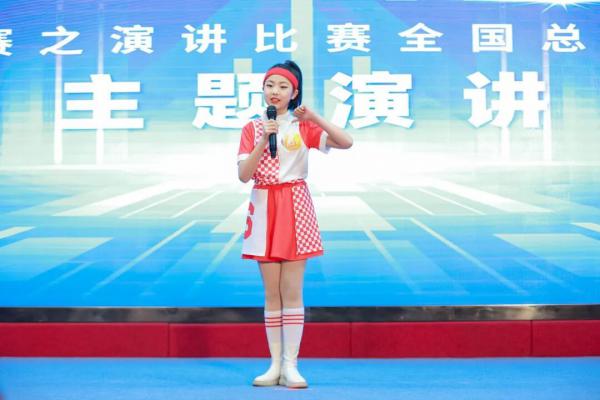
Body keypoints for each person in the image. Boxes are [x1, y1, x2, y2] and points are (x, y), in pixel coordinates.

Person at [237, 60, 353, 388]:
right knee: (271, 292)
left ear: (294, 92)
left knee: (291, 291)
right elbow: (244, 174)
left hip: (295, 204)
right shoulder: (252, 128)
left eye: (282, 86)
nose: (275, 91)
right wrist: (264, 139)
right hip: (263, 205)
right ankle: (274, 365)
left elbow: (346, 142)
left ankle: (291, 365)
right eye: (270, 85)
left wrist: (314, 117)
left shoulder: (303, 126)